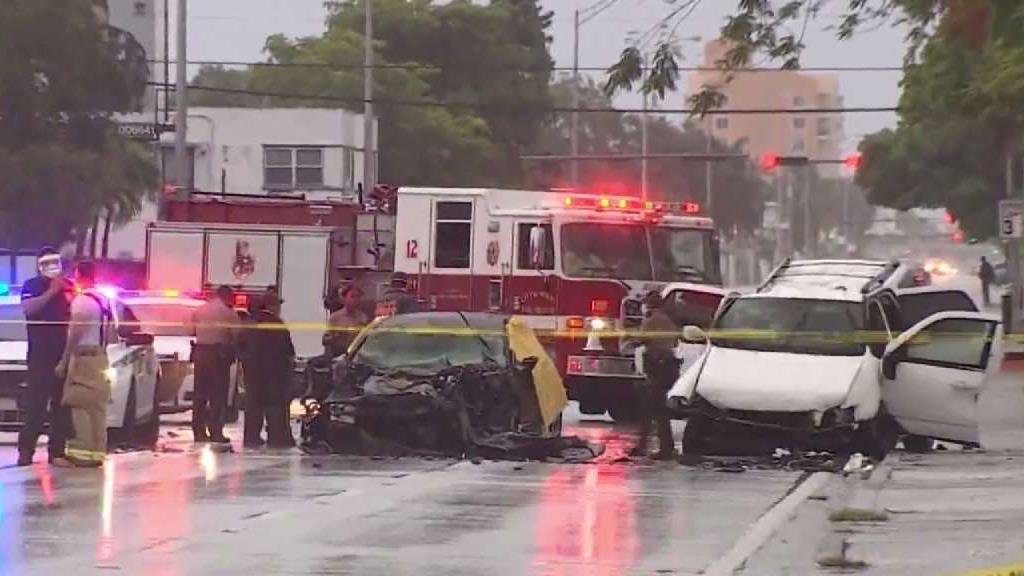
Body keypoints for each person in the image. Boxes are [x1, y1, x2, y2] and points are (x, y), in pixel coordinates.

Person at [17, 248, 74, 467]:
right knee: (36, 406)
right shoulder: (31, 286)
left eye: (55, 262)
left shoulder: (68, 286)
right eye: (47, 263)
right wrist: (51, 291)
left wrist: (66, 291)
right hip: (39, 356)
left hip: (62, 354)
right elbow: (29, 309)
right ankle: (26, 451)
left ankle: (57, 451)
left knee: (61, 405)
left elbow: (76, 313)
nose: (52, 267)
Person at [57, 261, 113, 467]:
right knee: (97, 407)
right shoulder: (103, 299)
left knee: (79, 402)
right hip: (100, 355)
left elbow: (76, 333)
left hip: (84, 357)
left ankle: (81, 452)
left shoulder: (82, 301)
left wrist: (64, 360)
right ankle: (97, 452)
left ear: (80, 274)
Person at [240, 292, 296, 448]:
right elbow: (287, 349)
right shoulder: (277, 323)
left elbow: (240, 344)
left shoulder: (250, 322)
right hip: (274, 371)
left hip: (252, 371)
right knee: (275, 405)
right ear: (272, 306)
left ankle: (251, 437)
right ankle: (276, 438)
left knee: (253, 405)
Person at [631, 290, 679, 460]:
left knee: (652, 410)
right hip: (668, 369)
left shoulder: (652, 320)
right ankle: (657, 446)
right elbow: (673, 341)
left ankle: (657, 448)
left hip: (658, 369)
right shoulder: (667, 319)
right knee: (657, 411)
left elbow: (640, 339)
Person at [191, 286, 239, 444]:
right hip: (218, 356)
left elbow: (190, 330)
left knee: (200, 395)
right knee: (218, 395)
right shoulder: (228, 313)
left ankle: (198, 431)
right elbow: (236, 335)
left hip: (200, 354)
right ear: (227, 297)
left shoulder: (200, 311)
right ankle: (215, 431)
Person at [324, 284, 369, 358]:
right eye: (352, 296)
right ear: (344, 298)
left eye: (358, 297)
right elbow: (325, 340)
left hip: (356, 356)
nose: (355, 299)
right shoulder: (335, 317)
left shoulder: (363, 317)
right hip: (338, 356)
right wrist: (337, 335)